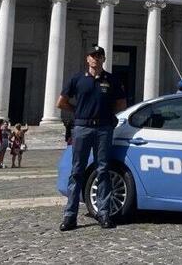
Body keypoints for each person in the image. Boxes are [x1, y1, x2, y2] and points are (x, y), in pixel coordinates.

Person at [57, 45, 127, 231]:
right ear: (87, 58)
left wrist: (107, 115)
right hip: (82, 128)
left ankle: (103, 213)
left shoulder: (111, 80)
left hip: (103, 128)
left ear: (104, 59)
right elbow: (61, 102)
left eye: (99, 56)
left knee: (103, 169)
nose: (96, 59)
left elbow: (121, 104)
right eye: (93, 55)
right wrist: (78, 112)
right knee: (77, 171)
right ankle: (70, 216)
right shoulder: (77, 79)